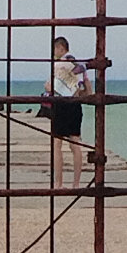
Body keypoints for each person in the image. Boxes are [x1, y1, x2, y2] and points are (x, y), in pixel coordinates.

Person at [45, 37, 92, 189]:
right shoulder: (79, 66)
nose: (54, 53)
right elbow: (88, 90)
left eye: (55, 50)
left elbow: (50, 87)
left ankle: (58, 184)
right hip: (75, 105)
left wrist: (48, 86)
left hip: (61, 105)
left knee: (57, 144)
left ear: (60, 48)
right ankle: (76, 184)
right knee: (75, 144)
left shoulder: (59, 64)